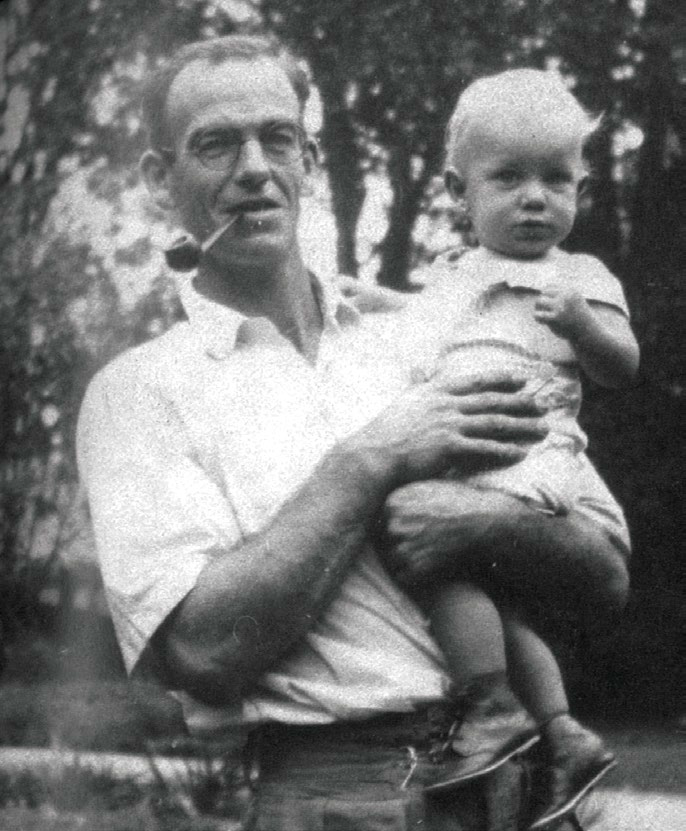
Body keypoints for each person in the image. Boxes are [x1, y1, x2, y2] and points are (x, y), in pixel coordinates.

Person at [76, 37, 630, 831]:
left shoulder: (419, 335)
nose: (255, 167)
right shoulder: (140, 392)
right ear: (161, 181)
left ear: (306, 156)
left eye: (277, 137)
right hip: (340, 794)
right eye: (216, 143)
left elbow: (607, 569)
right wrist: (374, 459)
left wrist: (485, 521)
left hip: (518, 785)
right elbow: (202, 652)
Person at [379, 69, 638, 829]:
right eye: (510, 178)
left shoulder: (576, 275)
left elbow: (622, 363)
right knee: (493, 607)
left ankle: (489, 706)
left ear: (582, 193)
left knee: (435, 555)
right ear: (460, 192)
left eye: (557, 180)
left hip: (528, 451)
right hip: (476, 457)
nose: (535, 197)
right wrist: (379, 302)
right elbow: (434, 323)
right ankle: (561, 731)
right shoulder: (455, 274)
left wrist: (583, 327)